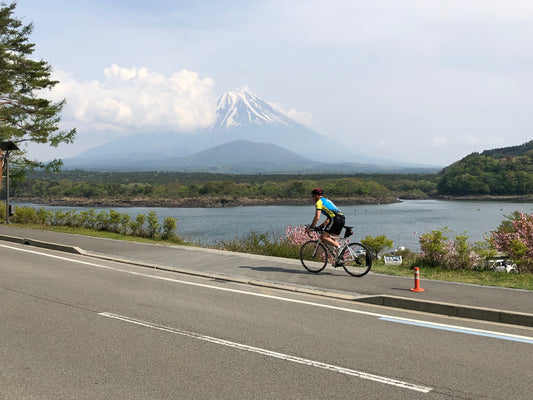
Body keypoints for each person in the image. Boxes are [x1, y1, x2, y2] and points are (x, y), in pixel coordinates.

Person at [306, 188, 345, 256]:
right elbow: (328, 218)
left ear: (316, 196)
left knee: (323, 237)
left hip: (335, 219)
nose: (312, 198)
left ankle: (339, 248)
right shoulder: (327, 200)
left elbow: (317, 217)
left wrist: (310, 227)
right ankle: (339, 259)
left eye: (313, 196)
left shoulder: (318, 202)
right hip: (342, 219)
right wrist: (321, 226)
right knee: (333, 239)